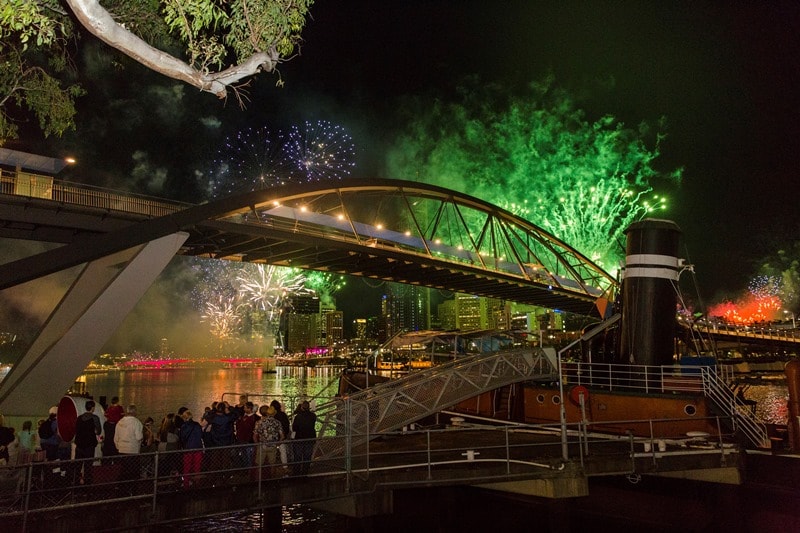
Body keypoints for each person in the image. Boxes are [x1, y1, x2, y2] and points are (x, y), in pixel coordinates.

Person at [114, 405, 143, 486]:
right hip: (132, 451)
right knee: (133, 472)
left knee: (123, 470)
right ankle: (133, 490)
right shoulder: (136, 422)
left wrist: (118, 447)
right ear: (134, 412)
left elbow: (116, 437)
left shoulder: (120, 422)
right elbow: (139, 437)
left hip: (122, 450)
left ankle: (122, 488)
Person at [74, 401, 101, 484]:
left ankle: (76, 483)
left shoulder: (79, 418)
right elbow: (98, 431)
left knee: (78, 465)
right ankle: (87, 484)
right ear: (92, 408)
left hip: (79, 444)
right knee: (88, 466)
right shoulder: (95, 418)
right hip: (89, 445)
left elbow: (76, 430)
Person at [254, 405, 283, 477]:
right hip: (273, 445)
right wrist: (278, 444)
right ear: (274, 414)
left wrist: (257, 444)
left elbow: (255, 436)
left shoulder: (259, 422)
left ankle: (259, 482)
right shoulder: (277, 423)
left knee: (259, 465)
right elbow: (282, 436)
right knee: (273, 464)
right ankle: (272, 481)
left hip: (262, 445)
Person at [178, 410, 203, 488]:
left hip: (188, 449)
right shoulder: (197, 425)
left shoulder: (184, 426)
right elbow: (201, 435)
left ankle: (186, 484)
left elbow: (182, 438)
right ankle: (197, 483)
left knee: (187, 467)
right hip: (198, 448)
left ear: (184, 418)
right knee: (197, 467)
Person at [291, 400, 317, 476]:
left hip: (299, 438)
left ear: (302, 407)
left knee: (298, 456)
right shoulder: (313, 416)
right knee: (307, 456)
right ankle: (305, 472)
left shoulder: (298, 417)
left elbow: (294, 428)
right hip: (310, 438)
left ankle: (296, 472)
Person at [270, 400, 291, 468]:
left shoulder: (272, 416)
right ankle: (285, 466)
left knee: (272, 452)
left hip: (274, 436)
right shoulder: (283, 415)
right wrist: (285, 434)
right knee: (283, 451)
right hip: (282, 435)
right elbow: (287, 424)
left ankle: (272, 466)